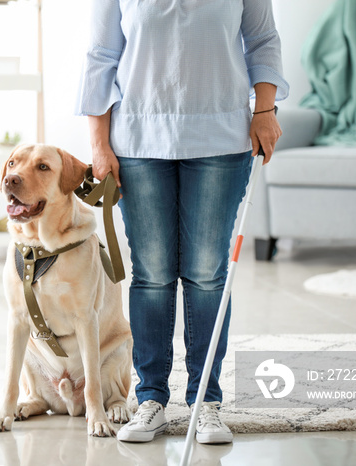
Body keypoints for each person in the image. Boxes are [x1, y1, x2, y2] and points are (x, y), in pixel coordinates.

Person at [75, 0, 288, 444]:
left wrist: (264, 111)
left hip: (221, 138)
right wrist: (99, 145)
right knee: (151, 275)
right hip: (138, 140)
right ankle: (151, 397)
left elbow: (263, 41)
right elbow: (100, 56)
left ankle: (204, 401)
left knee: (208, 274)